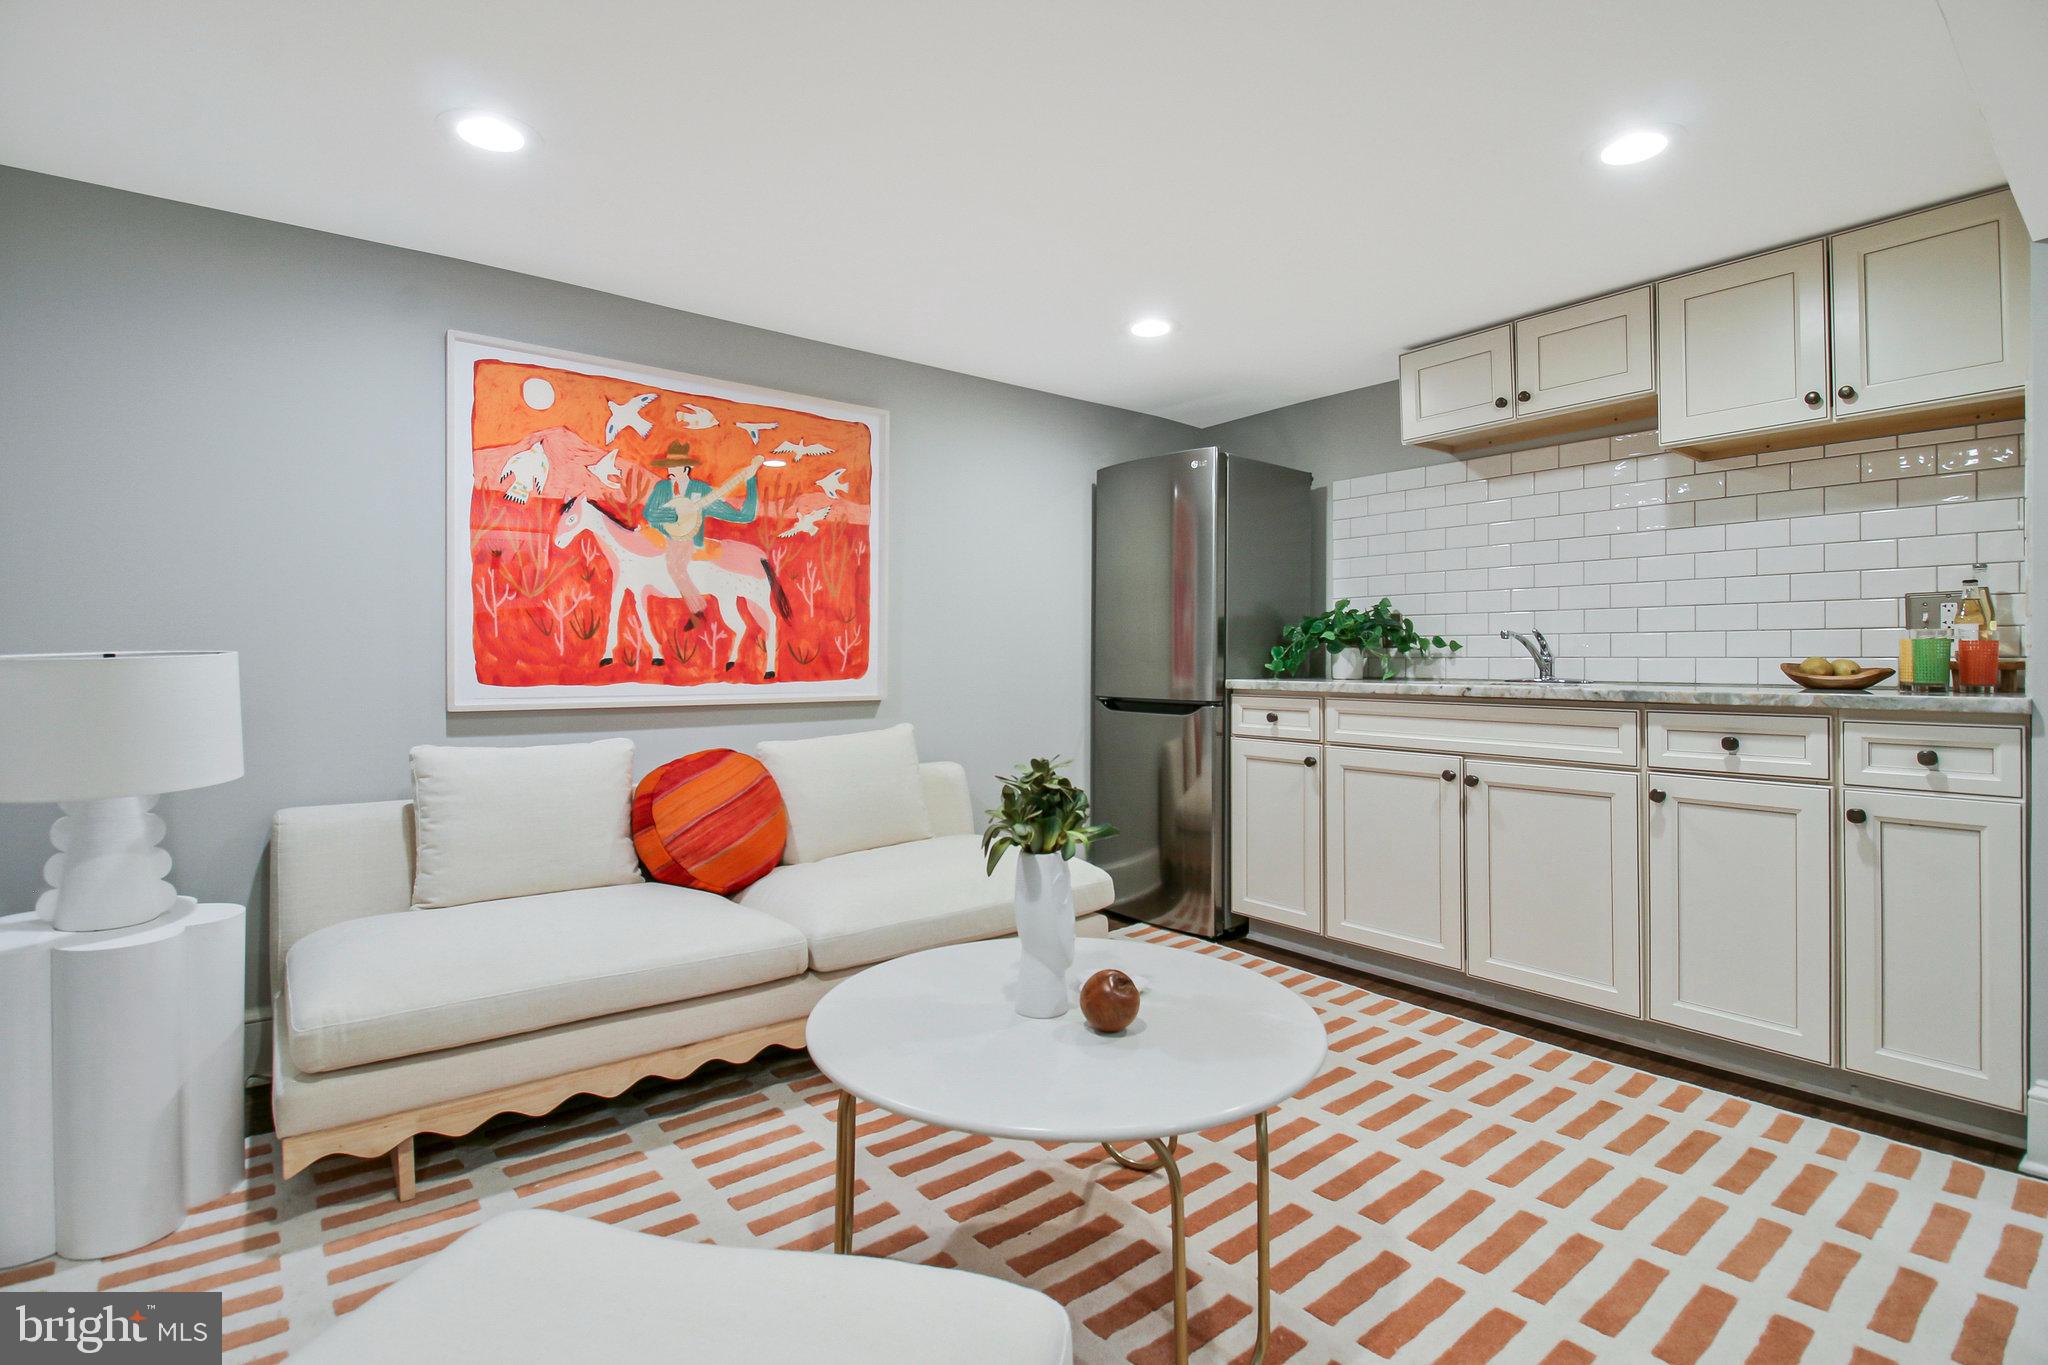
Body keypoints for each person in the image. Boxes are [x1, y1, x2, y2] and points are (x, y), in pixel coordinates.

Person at [642, 443, 765, 615]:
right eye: (669, 466)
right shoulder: (662, 488)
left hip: (686, 541)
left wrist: (751, 481)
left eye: (674, 467)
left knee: (674, 566)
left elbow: (743, 516)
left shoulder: (701, 490)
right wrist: (675, 515)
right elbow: (649, 514)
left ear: (686, 468)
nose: (670, 470)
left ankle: (698, 610)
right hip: (659, 536)